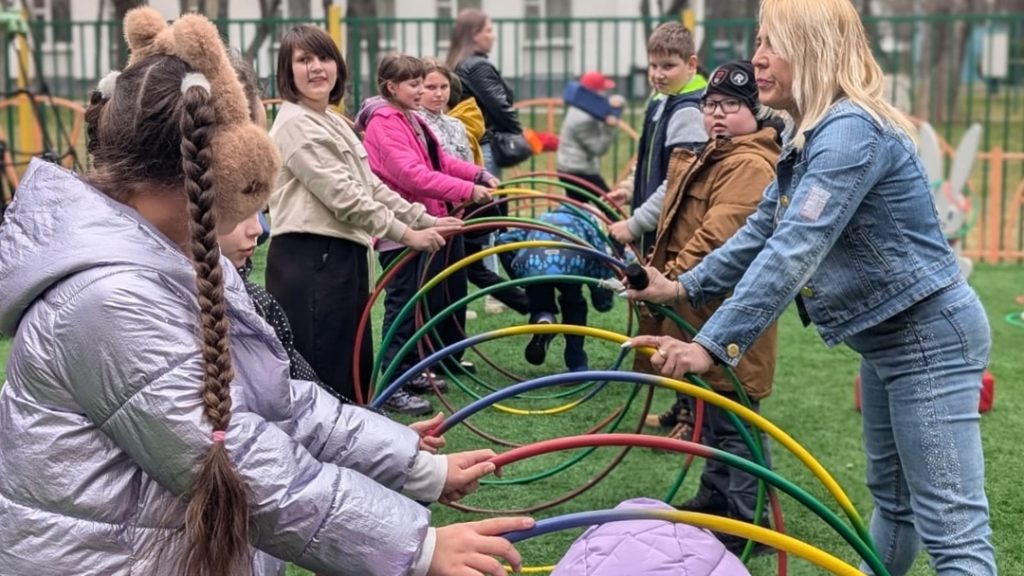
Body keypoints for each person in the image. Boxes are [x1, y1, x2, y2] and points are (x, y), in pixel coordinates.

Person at [0, 8, 532, 576]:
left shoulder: (178, 257)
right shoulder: (108, 300)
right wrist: (415, 548)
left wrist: (414, 467)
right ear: (232, 163)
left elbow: (283, 401)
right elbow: (235, 458)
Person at [628, 1, 995, 574]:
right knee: (895, 506)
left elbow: (793, 249)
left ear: (814, 48)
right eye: (758, 41)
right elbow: (760, 232)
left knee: (953, 531)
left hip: (929, 341)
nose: (757, 58)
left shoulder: (849, 132)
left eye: (772, 42)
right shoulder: (809, 135)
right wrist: (680, 289)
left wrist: (710, 343)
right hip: (889, 342)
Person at [628, 60, 782, 556]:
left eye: (730, 106)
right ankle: (717, 502)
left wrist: (670, 280)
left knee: (735, 415)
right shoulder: (716, 155)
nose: (717, 115)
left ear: (754, 112)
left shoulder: (750, 164)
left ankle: (746, 521)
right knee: (714, 411)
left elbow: (722, 236)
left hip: (730, 312)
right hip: (700, 308)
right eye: (711, 105)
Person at [266, 25, 461, 414]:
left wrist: (423, 219)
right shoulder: (295, 124)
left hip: (341, 256)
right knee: (324, 373)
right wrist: (407, 234)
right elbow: (345, 198)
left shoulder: (333, 120)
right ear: (288, 72)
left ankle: (353, 454)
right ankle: (325, 463)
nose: (317, 68)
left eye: (324, 58)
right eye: (304, 60)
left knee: (350, 367)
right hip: (310, 258)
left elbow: (370, 186)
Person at [356, 53, 494, 415]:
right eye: (414, 84)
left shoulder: (410, 119)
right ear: (392, 87)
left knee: (421, 303)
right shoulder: (384, 123)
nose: (421, 90)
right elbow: (412, 175)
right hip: (400, 229)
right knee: (402, 305)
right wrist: (467, 191)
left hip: (424, 221)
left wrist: (476, 175)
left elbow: (440, 161)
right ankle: (394, 380)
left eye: (424, 83)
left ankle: (414, 369)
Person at [447, 8, 532, 317]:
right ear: (474, 34)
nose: (492, 35)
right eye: (489, 29)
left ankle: (476, 291)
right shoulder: (476, 66)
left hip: (467, 148)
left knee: (477, 221)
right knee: (488, 222)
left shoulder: (455, 62)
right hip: (483, 149)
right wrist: (517, 133)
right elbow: (501, 107)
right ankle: (497, 293)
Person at [612, 21, 708, 256]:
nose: (658, 74)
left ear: (691, 64)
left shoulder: (688, 112)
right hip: (657, 229)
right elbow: (650, 160)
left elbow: (676, 183)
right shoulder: (661, 100)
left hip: (676, 237)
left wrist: (634, 225)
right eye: (653, 66)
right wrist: (631, 189)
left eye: (668, 66)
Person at [495, 204, 616, 372]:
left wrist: (518, 277)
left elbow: (503, 240)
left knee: (540, 303)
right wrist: (602, 300)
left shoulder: (541, 219)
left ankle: (544, 321)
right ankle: (577, 363)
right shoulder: (586, 223)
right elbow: (601, 258)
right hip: (571, 263)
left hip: (535, 263)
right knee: (574, 303)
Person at [557, 70, 624, 203]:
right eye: (603, 91)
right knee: (609, 203)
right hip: (577, 171)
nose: (605, 94)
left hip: (570, 168)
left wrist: (618, 102)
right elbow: (598, 148)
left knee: (579, 207)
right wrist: (609, 127)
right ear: (593, 94)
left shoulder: (583, 107)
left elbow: (616, 102)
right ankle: (616, 223)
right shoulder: (582, 119)